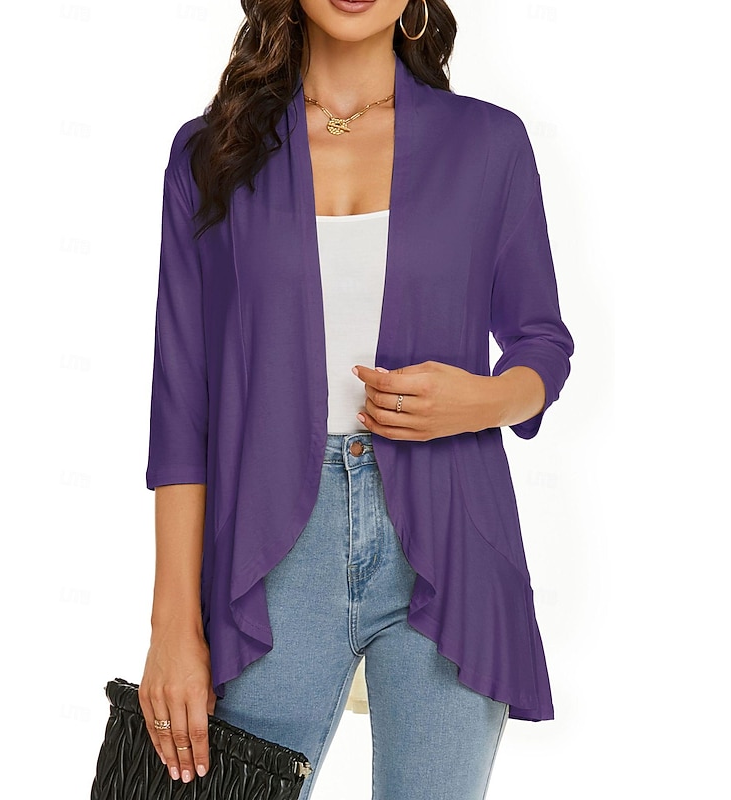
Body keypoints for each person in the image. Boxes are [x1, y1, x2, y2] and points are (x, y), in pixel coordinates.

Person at [137, 1, 575, 799]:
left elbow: (541, 342)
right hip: (268, 552)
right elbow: (181, 406)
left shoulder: (489, 145)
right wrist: (172, 623)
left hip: (451, 541)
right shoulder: (212, 153)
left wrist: (480, 402)